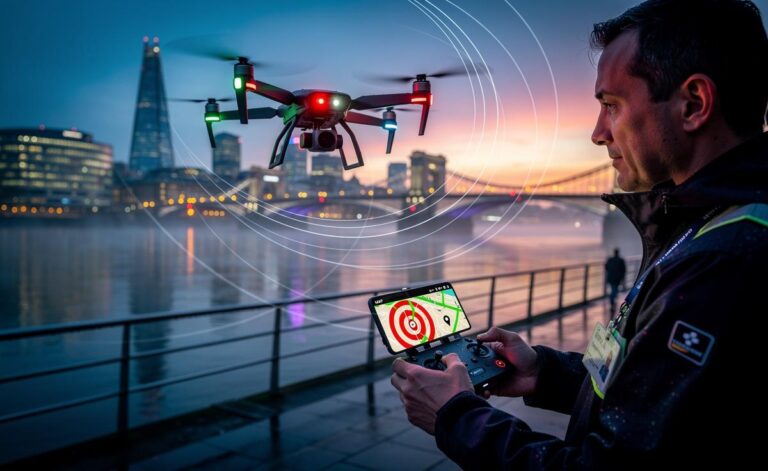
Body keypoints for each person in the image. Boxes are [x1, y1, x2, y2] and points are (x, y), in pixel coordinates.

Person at [391, 0, 768, 467]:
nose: (597, 133)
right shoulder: (708, 225)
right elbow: (658, 403)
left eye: (611, 105)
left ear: (693, 104)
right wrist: (543, 373)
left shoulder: (726, 259)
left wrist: (456, 415)